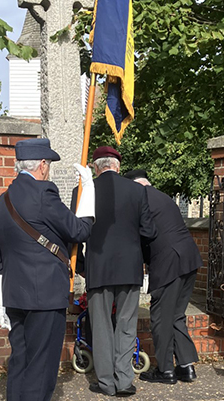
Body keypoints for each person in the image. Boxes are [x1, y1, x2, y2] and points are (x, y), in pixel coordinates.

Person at [0, 138, 94, 401]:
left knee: (20, 360)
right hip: (45, 294)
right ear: (42, 165)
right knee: (41, 365)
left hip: (14, 294)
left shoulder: (1, 202)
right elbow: (80, 230)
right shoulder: (44, 194)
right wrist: (89, 189)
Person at [75, 147, 157, 397]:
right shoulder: (137, 190)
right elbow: (149, 231)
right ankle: (124, 381)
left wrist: (82, 268)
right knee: (126, 325)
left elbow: (74, 233)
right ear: (118, 166)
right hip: (129, 267)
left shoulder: (83, 191)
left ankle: (106, 381)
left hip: (98, 268)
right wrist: (140, 257)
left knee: (100, 327)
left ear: (95, 167)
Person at [124, 169, 203, 385]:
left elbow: (141, 234)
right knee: (176, 315)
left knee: (160, 318)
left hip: (168, 263)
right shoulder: (162, 196)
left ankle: (166, 370)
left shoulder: (141, 199)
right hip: (188, 258)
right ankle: (186, 367)